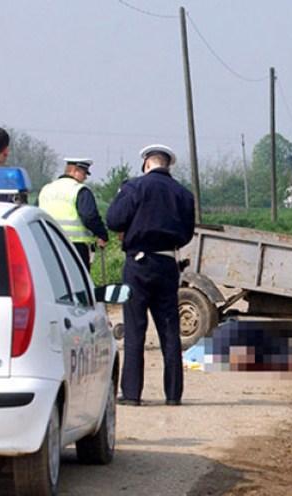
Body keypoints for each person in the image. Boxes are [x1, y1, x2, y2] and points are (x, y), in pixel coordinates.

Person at [106, 144, 195, 407]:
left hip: (138, 263)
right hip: (168, 262)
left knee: (135, 329)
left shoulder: (134, 187)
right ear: (168, 165)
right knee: (170, 330)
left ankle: (132, 394)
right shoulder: (183, 194)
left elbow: (114, 220)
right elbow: (188, 233)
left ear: (147, 163)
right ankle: (173, 394)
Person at [38, 158, 108, 270]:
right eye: (84, 173)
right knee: (77, 283)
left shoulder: (46, 189)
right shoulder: (80, 190)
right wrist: (102, 234)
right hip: (75, 246)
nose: (85, 177)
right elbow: (89, 217)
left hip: (48, 244)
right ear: (75, 170)